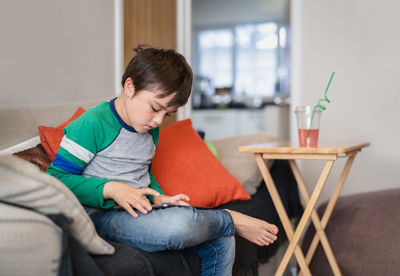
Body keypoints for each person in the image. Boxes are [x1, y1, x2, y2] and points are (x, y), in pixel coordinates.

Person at [46, 45, 278, 276]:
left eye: (167, 114)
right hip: (101, 216)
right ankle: (230, 219)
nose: (158, 121)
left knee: (222, 240)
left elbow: (142, 172)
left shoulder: (148, 129)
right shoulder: (93, 123)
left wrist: (158, 196)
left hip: (141, 209)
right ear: (130, 87)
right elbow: (56, 179)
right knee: (181, 227)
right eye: (155, 108)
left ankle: (224, 224)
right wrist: (112, 189)